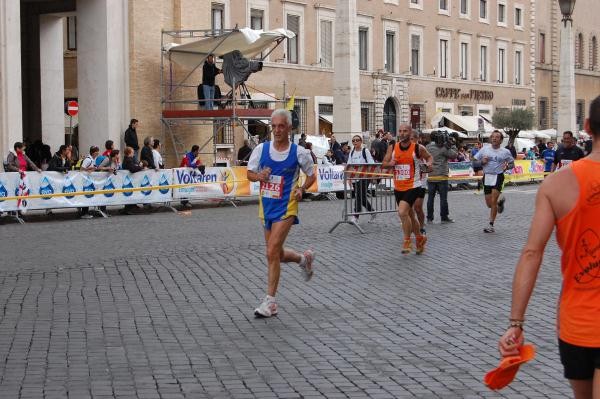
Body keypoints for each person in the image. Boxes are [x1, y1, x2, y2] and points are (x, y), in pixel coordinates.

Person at [498, 96, 600, 399]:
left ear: (585, 127)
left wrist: (515, 323)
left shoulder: (556, 184)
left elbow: (532, 253)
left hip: (576, 323)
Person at [246, 109, 316, 318]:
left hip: (287, 207)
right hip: (266, 207)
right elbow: (249, 174)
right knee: (275, 253)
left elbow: (312, 175)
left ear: (289, 128)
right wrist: (259, 176)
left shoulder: (299, 153)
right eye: (273, 126)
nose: (277, 130)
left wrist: (302, 189)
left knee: (271, 251)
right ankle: (304, 259)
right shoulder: (261, 149)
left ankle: (270, 302)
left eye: (281, 126)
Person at [382, 124, 432, 254]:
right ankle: (420, 239)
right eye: (400, 131)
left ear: (410, 133)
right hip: (398, 186)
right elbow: (384, 164)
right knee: (410, 215)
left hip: (413, 185)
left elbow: (429, 158)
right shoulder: (392, 147)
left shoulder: (417, 148)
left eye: (405, 131)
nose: (402, 133)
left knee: (402, 212)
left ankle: (407, 241)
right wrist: (391, 164)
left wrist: (427, 165)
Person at [472, 131, 515, 233]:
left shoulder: (505, 152)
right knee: (489, 204)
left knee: (493, 200)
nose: (494, 138)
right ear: (491, 139)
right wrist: (481, 162)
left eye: (497, 137)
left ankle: (491, 225)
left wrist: (507, 166)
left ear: (501, 140)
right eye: (493, 137)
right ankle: (499, 204)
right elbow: (473, 161)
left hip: (498, 176)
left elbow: (512, 164)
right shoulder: (484, 149)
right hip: (487, 176)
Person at [426, 130, 458, 224]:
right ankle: (444, 217)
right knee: (443, 198)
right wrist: (453, 145)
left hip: (431, 175)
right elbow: (454, 155)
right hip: (442, 176)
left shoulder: (428, 147)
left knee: (430, 198)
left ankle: (429, 218)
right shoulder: (444, 148)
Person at [346, 135, 375, 224]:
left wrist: (372, 176)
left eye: (357, 140)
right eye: (353, 140)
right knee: (361, 197)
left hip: (365, 177)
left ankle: (356, 216)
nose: (355, 142)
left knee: (358, 196)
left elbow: (371, 163)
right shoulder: (352, 152)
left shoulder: (365, 151)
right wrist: (349, 178)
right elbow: (349, 165)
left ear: (361, 141)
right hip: (355, 178)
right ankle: (372, 211)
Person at [120, 146, 146, 215]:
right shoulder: (128, 160)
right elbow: (132, 169)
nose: (133, 154)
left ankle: (132, 205)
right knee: (129, 193)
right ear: (129, 153)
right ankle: (129, 208)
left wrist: (138, 167)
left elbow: (134, 167)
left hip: (131, 180)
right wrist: (140, 167)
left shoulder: (129, 159)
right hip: (128, 180)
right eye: (132, 152)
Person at [412, 132, 428, 234]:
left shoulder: (420, 148)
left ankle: (421, 226)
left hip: (420, 181)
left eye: (412, 138)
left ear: (417, 138)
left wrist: (426, 167)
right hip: (407, 182)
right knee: (408, 208)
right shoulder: (402, 148)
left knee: (417, 207)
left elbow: (428, 161)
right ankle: (412, 226)